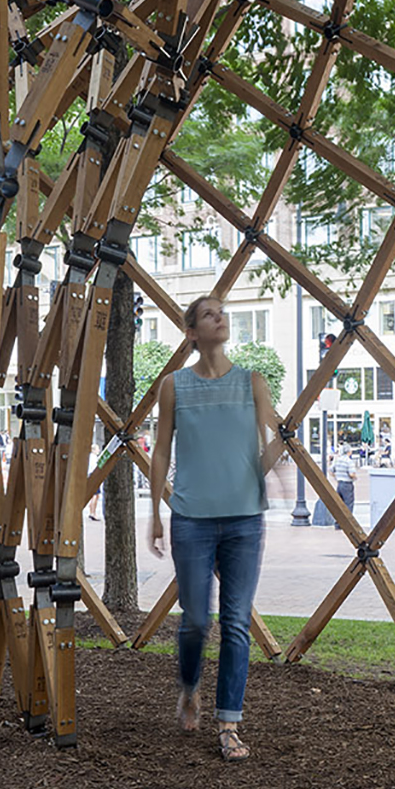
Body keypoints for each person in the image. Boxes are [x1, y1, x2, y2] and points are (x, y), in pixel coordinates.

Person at [149, 296, 280, 761]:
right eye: (209, 314)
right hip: (190, 519)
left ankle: (229, 724)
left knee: (237, 623)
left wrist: (266, 462)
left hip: (245, 519)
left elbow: (271, 445)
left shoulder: (253, 382)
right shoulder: (174, 386)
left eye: (222, 312)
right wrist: (154, 513)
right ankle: (189, 687)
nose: (220, 318)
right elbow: (161, 450)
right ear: (191, 333)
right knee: (196, 622)